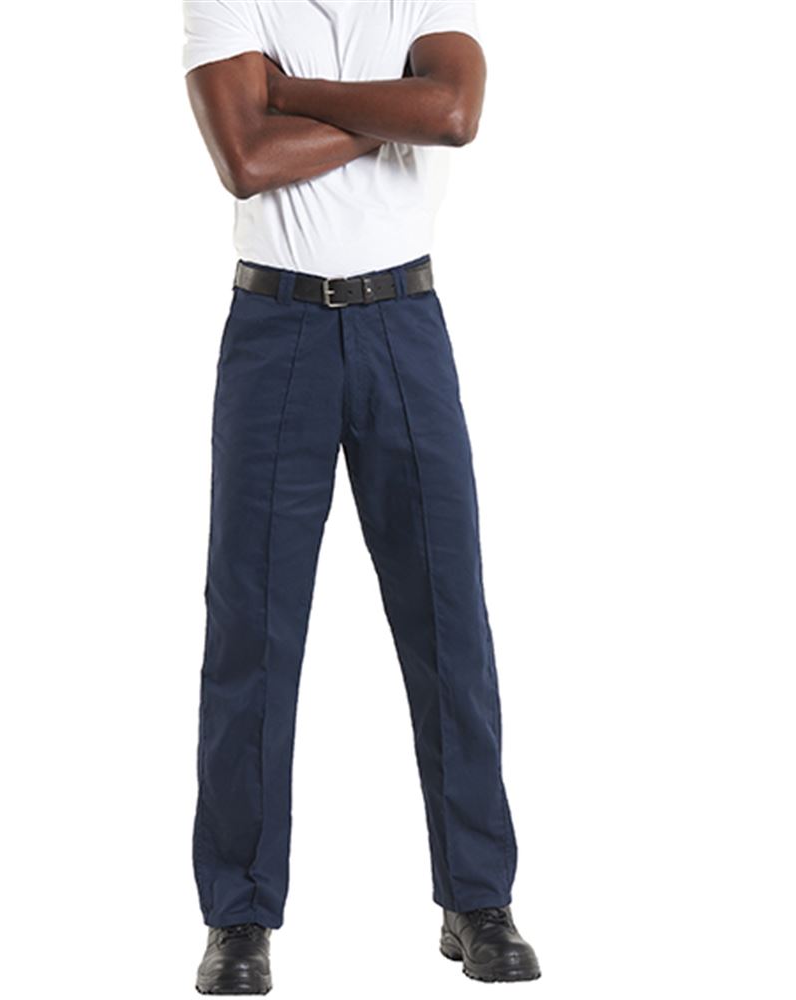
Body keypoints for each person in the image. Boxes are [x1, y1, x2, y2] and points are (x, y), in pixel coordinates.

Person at [181, 1, 540, 992]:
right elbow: (246, 159)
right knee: (251, 630)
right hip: (275, 327)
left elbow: (454, 114)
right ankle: (238, 915)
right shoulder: (229, 2)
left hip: (402, 324)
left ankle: (477, 898)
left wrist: (291, 93)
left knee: (448, 620)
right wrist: (393, 112)